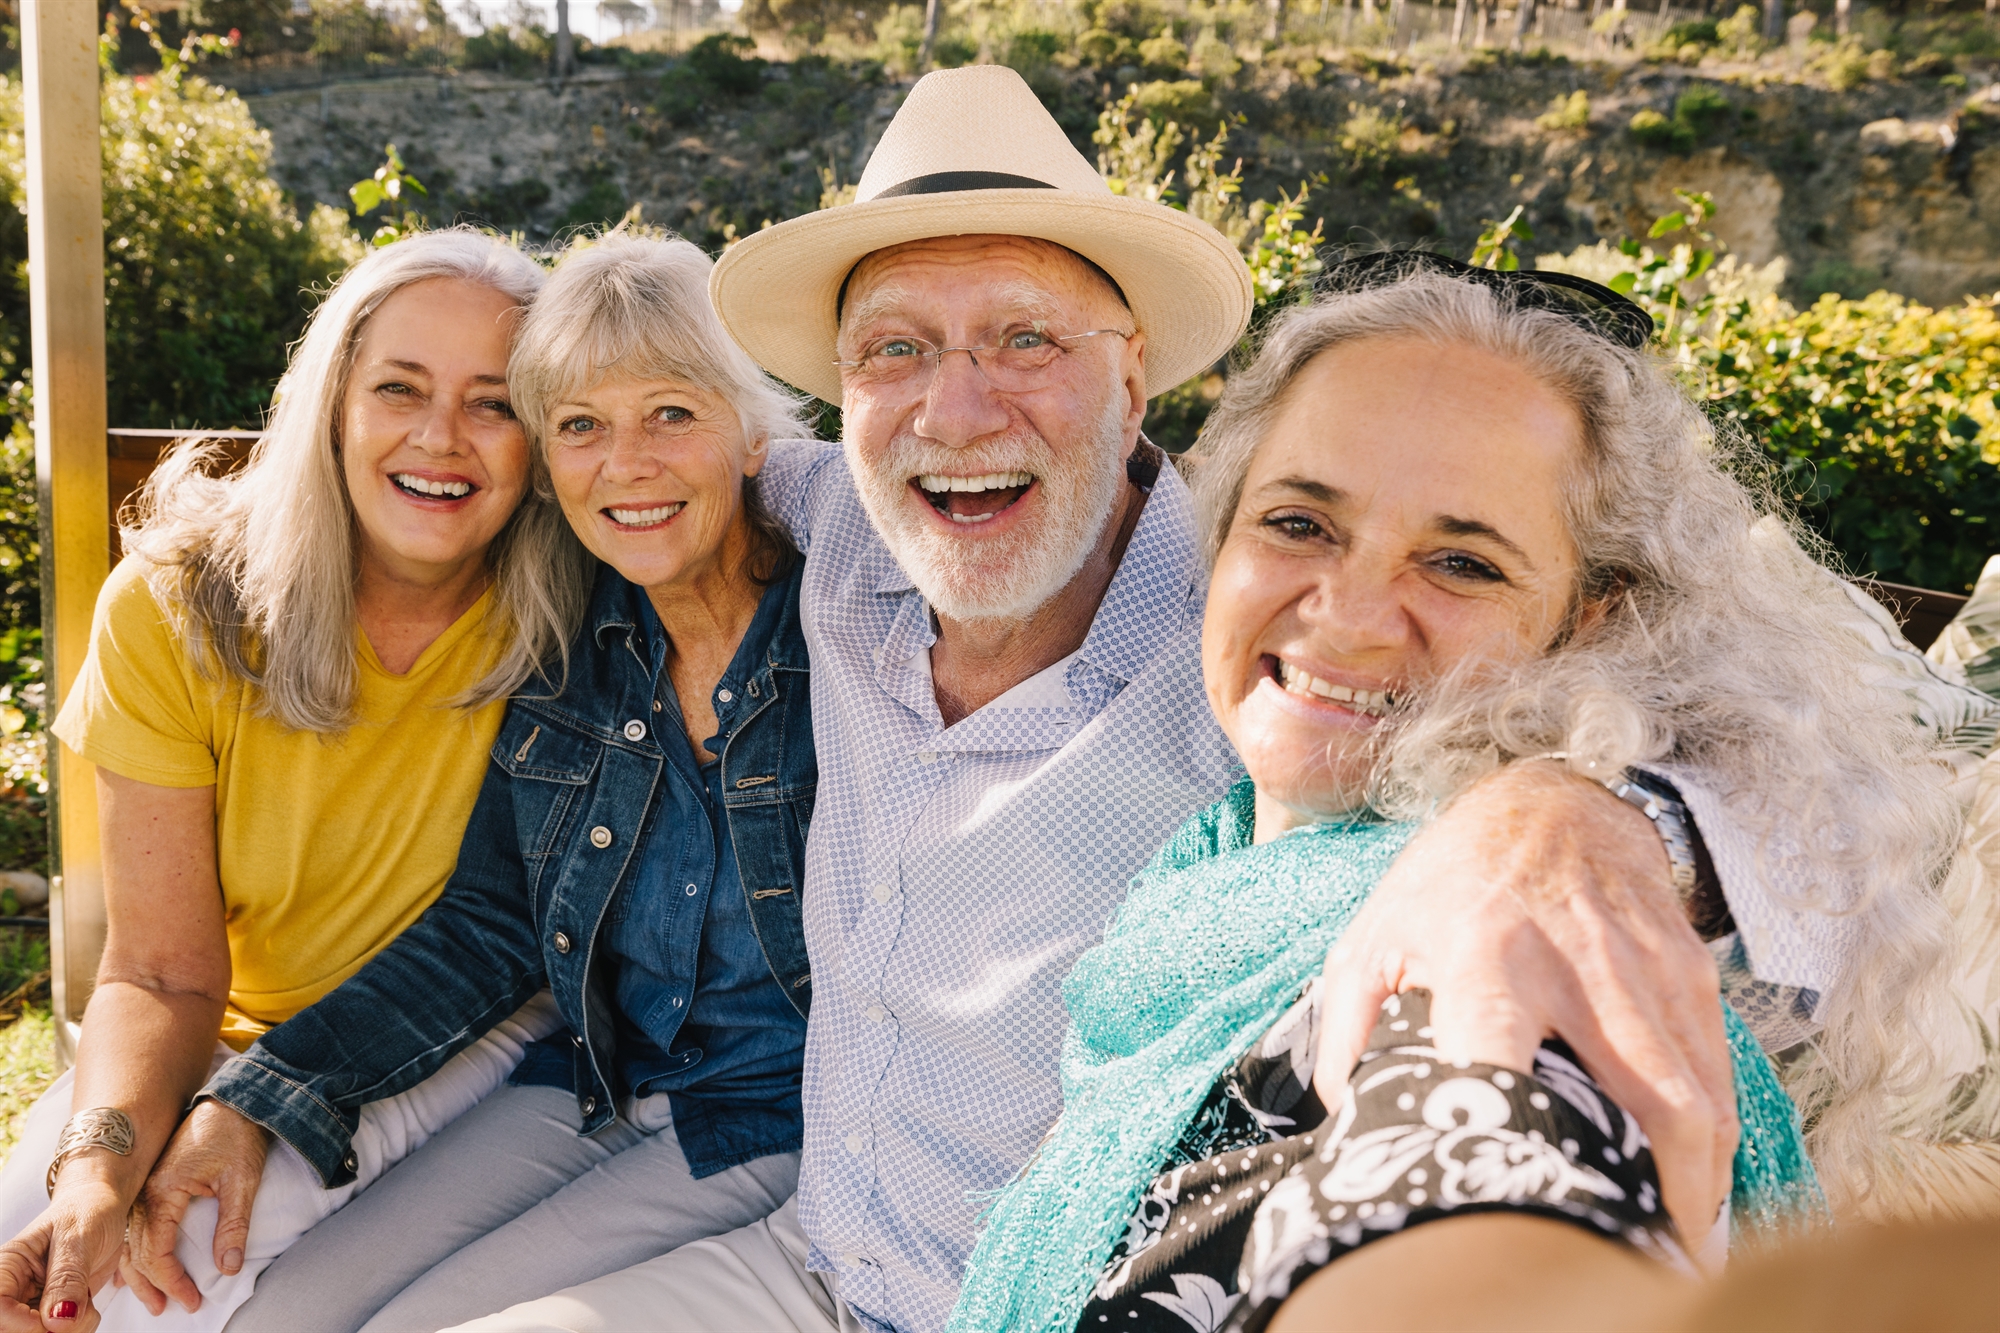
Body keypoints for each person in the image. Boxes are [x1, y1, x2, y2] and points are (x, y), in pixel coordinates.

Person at [455, 67, 1938, 1332]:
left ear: (1135, 374)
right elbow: (651, 464)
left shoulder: (1246, 629)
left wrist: (1573, 817)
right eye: (894, 348)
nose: (955, 409)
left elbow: (1795, 762)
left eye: (1027, 339)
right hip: (812, 1255)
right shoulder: (852, 522)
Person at [947, 258, 1957, 1332]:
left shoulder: (1513, 945)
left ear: (1588, 623)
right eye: (1297, 524)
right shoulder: (1213, 860)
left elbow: (1493, 1181)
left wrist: (1586, 819)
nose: (1346, 619)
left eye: (1462, 564)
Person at [121, 232, 819, 1332]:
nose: (624, 464)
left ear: (750, 436)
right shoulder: (581, 636)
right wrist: (253, 1101)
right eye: (581, 425)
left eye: (672, 413)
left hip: (768, 1110)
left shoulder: (847, 639)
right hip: (589, 1074)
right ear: (549, 459)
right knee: (280, 1318)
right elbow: (493, 922)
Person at [0, 228, 586, 1333]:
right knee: (28, 1253)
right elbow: (163, 969)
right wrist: (94, 1163)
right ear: (330, 402)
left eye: (494, 403)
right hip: (227, 1024)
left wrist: (250, 1111)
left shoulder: (576, 611)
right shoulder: (177, 604)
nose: (440, 438)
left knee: (153, 1291)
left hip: (465, 1026)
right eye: (397, 388)